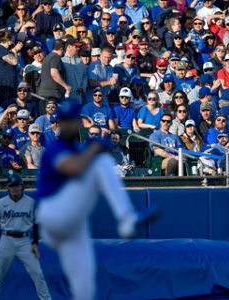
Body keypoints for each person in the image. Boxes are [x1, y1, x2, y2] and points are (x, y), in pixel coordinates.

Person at [36, 100, 155, 300]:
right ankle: (126, 218)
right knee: (101, 162)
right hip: (52, 213)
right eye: (63, 120)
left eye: (70, 120)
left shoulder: (77, 149)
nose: (66, 124)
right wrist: (94, 148)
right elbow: (73, 168)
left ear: (77, 122)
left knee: (84, 284)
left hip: (73, 222)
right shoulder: (55, 148)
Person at [0, 174, 51, 300]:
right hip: (6, 240)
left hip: (25, 241)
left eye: (17, 185)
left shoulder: (31, 203)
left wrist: (35, 242)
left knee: (38, 274)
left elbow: (37, 223)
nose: (14, 188)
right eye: (12, 186)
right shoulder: (0, 203)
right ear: (8, 188)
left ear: (22, 187)